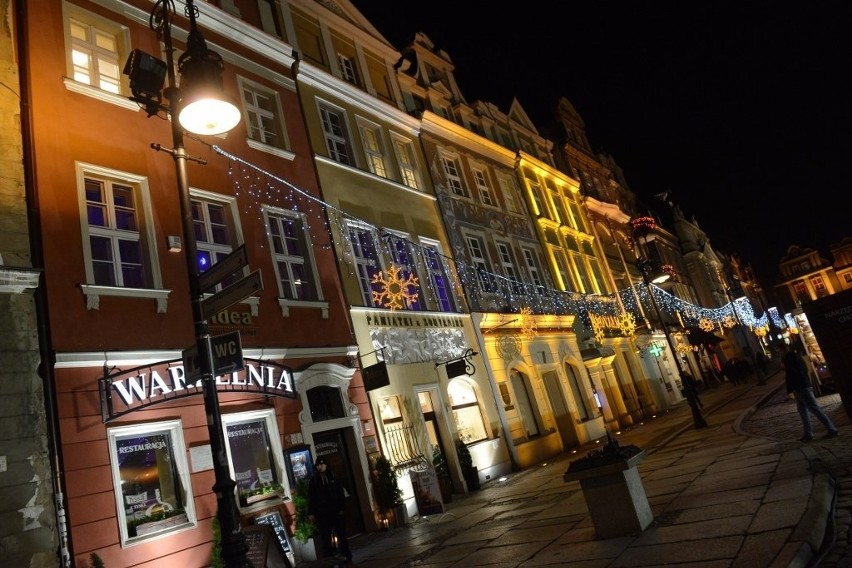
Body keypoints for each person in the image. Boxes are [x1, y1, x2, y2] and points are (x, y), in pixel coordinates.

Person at [782, 343, 839, 442]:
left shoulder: (790, 359)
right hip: (801, 387)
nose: (779, 353)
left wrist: (796, 387)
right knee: (803, 411)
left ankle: (832, 429)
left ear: (783, 350)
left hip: (801, 387)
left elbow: (794, 374)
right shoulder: (795, 357)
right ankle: (808, 434)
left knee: (814, 409)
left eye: (780, 351)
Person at [308, 456, 353, 565]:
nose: (320, 467)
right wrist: (311, 513)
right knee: (326, 539)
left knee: (342, 537)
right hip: (323, 514)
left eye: (322, 464)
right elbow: (311, 498)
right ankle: (328, 562)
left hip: (336, 512)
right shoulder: (314, 481)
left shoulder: (333, 476)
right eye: (318, 465)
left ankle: (347, 559)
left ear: (326, 465)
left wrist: (342, 508)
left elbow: (340, 493)